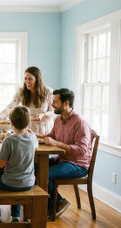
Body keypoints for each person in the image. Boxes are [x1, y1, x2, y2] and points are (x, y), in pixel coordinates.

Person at [35, 88, 92, 218]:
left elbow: (81, 151)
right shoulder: (58, 119)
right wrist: (33, 134)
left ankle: (59, 202)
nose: (51, 105)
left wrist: (56, 144)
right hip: (63, 160)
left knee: (45, 174)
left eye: (55, 102)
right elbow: (50, 136)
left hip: (78, 165)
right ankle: (42, 205)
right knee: (32, 168)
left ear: (66, 103)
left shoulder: (80, 122)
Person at [0, 106, 38, 228]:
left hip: (10, 182)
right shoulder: (33, 138)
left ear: (11, 123)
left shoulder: (9, 140)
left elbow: (0, 164)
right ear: (28, 122)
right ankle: (15, 217)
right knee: (17, 180)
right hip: (29, 183)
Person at [0, 66, 54, 134]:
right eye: (25, 78)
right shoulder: (21, 92)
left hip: (44, 130)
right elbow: (11, 106)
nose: (27, 81)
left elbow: (53, 111)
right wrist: (1, 116)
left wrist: (43, 115)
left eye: (30, 79)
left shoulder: (48, 91)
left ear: (37, 79)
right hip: (28, 130)